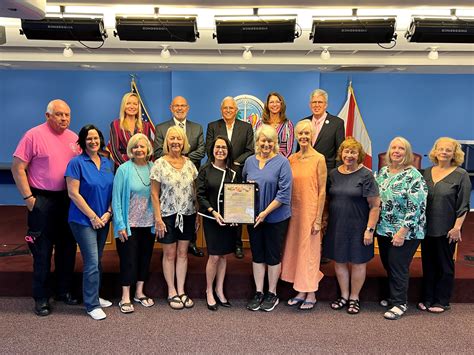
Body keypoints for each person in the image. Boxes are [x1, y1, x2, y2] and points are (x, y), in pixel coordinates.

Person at [12, 99, 80, 316]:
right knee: (42, 251)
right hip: (42, 199)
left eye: (67, 115)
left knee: (67, 249)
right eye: (59, 114)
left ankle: (63, 291)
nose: (64, 119)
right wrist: (28, 198)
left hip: (67, 199)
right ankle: (41, 297)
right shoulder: (33, 135)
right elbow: (17, 167)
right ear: (47, 115)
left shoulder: (73, 138)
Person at [323, 137, 380, 314]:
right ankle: (344, 296)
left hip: (359, 226)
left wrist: (369, 230)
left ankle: (355, 297)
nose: (349, 155)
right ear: (341, 154)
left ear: (359, 155)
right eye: (346, 152)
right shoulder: (333, 174)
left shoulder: (366, 175)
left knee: (358, 262)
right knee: (339, 261)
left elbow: (375, 205)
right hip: (337, 225)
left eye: (353, 152)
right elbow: (327, 199)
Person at [65, 124, 114, 320]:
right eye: (89, 138)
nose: (93, 141)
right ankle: (91, 304)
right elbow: (73, 193)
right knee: (92, 261)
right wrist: (93, 216)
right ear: (83, 141)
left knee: (97, 259)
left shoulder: (106, 162)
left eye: (96, 138)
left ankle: (95, 295)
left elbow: (112, 190)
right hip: (83, 220)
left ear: (100, 140)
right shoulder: (76, 163)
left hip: (103, 220)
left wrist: (108, 213)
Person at [375, 136, 428, 320]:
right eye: (393, 148)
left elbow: (416, 206)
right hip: (384, 228)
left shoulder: (414, 175)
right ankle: (392, 297)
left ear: (407, 153)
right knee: (389, 264)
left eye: (401, 149)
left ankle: (400, 303)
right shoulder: (383, 172)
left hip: (406, 231)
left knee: (398, 265)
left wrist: (402, 232)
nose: (396, 151)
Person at [418, 137, 471, 314]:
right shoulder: (425, 172)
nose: (444, 152)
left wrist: (457, 228)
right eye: (440, 149)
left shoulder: (461, 175)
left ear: (454, 153)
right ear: (435, 151)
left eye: (448, 150)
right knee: (428, 264)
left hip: (447, 228)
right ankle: (427, 297)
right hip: (426, 228)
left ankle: (442, 300)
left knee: (444, 266)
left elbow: (464, 205)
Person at [243, 125, 292, 312]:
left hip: (276, 218)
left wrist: (265, 213)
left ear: (275, 143)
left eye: (270, 141)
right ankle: (258, 292)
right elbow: (243, 187)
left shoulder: (283, 163)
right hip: (253, 218)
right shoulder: (249, 161)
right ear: (257, 142)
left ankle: (272, 293)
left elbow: (284, 194)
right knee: (257, 255)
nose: (266, 144)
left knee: (272, 255)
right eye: (263, 140)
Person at [150, 126, 198, 310]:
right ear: (167, 142)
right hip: (167, 216)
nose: (176, 142)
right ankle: (171, 291)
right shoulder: (159, 164)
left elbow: (194, 191)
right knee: (169, 254)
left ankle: (181, 290)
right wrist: (158, 218)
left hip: (187, 214)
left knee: (183, 254)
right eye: (172, 139)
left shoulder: (190, 164)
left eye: (179, 138)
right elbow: (154, 194)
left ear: (184, 142)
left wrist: (196, 215)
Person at [281, 120, 326, 311]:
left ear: (312, 135)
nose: (304, 137)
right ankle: (300, 290)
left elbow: (323, 191)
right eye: (301, 134)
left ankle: (311, 293)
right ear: (296, 136)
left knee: (310, 253)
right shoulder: (291, 159)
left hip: (310, 213)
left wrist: (318, 219)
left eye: (307, 133)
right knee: (297, 251)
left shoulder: (319, 159)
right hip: (294, 213)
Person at [154, 96, 206, 257]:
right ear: (171, 108)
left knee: (190, 207)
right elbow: (157, 151)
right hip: (168, 181)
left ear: (188, 108)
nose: (180, 108)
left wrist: (185, 157)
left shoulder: (197, 128)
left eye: (183, 106)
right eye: (176, 106)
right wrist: (174, 156)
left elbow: (202, 150)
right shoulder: (161, 128)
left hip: (190, 176)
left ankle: (193, 244)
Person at [112, 134, 156, 314]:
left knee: (145, 258)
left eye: (142, 146)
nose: (139, 150)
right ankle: (125, 296)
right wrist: (120, 224)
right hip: (129, 224)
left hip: (148, 223)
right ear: (131, 149)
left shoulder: (154, 167)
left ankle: (139, 292)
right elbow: (116, 199)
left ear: (148, 149)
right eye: (135, 147)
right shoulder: (124, 169)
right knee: (128, 260)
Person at [206, 96, 254, 259]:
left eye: (231, 108)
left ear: (236, 110)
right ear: (221, 110)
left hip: (236, 172)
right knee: (219, 207)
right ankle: (220, 243)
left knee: (237, 209)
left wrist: (233, 162)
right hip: (217, 172)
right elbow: (209, 149)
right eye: (225, 108)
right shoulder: (213, 126)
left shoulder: (246, 127)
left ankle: (238, 244)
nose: (228, 110)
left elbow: (249, 150)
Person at [197, 136, 239, 311]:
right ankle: (209, 291)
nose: (220, 150)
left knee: (223, 256)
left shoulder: (234, 172)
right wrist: (213, 213)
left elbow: (238, 196)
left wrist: (238, 215)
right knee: (214, 256)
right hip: (212, 219)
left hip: (229, 220)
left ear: (228, 150)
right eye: (217, 147)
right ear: (212, 149)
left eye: (224, 147)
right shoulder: (205, 170)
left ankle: (219, 290)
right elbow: (200, 195)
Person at [107, 92, 155, 169]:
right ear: (124, 106)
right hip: (124, 168)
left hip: (142, 167)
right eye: (128, 103)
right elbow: (115, 151)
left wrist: (141, 164)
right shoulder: (116, 124)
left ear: (138, 107)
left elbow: (149, 149)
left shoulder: (146, 125)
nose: (132, 106)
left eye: (135, 104)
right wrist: (130, 167)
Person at [300, 89, 345, 171]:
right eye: (314, 102)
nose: (317, 105)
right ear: (310, 105)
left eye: (320, 102)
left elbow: (340, 151)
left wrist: (336, 174)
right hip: (306, 170)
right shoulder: (303, 122)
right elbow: (299, 150)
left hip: (328, 173)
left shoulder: (337, 123)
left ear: (326, 105)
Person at [255, 92, 294, 157]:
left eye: (277, 102)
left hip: (282, 163)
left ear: (281, 104)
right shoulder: (260, 124)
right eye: (271, 102)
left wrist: (281, 164)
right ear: (267, 105)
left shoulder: (288, 125)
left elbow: (289, 150)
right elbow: (257, 146)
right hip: (263, 162)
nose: (274, 105)